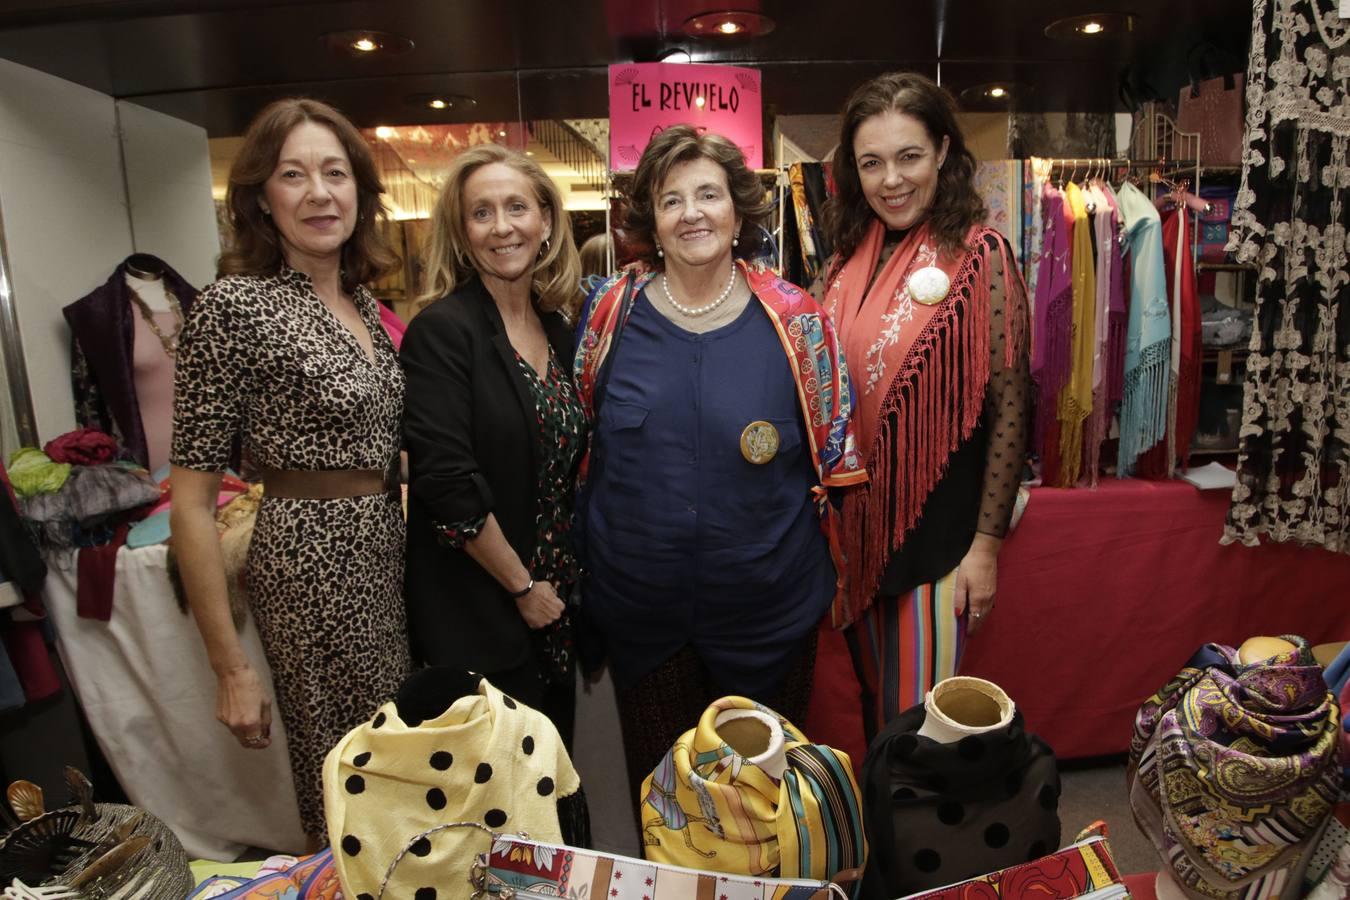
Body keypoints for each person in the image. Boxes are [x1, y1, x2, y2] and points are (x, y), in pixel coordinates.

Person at [574, 125, 866, 800]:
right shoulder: (607, 313)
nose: (691, 213)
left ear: (738, 209)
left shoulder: (798, 322)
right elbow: (584, 449)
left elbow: (835, 468)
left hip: (768, 612)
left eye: (708, 194)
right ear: (651, 216)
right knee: (665, 801)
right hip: (642, 616)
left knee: (762, 810)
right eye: (671, 199)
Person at [170, 98, 410, 843]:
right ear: (260, 198)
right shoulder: (232, 308)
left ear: (360, 193)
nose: (319, 193)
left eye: (335, 173)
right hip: (308, 563)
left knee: (403, 773)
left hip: (384, 554)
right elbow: (189, 504)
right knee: (348, 787)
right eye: (293, 175)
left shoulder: (365, 304)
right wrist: (230, 667)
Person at [819, 72, 1030, 741]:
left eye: (908, 156)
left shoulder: (980, 256)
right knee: (876, 721)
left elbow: (1010, 410)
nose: (891, 180)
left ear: (943, 151)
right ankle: (884, 847)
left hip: (940, 542)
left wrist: (986, 549)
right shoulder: (843, 265)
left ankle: (918, 849)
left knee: (922, 733)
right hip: (852, 541)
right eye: (871, 163)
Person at [401, 145, 583, 746]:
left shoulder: (558, 326)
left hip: (555, 611)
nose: (503, 227)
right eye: (482, 213)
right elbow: (446, 482)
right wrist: (522, 588)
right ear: (462, 233)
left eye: (516, 208)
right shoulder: (443, 332)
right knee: (494, 808)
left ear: (547, 222)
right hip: (482, 611)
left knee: (552, 786)